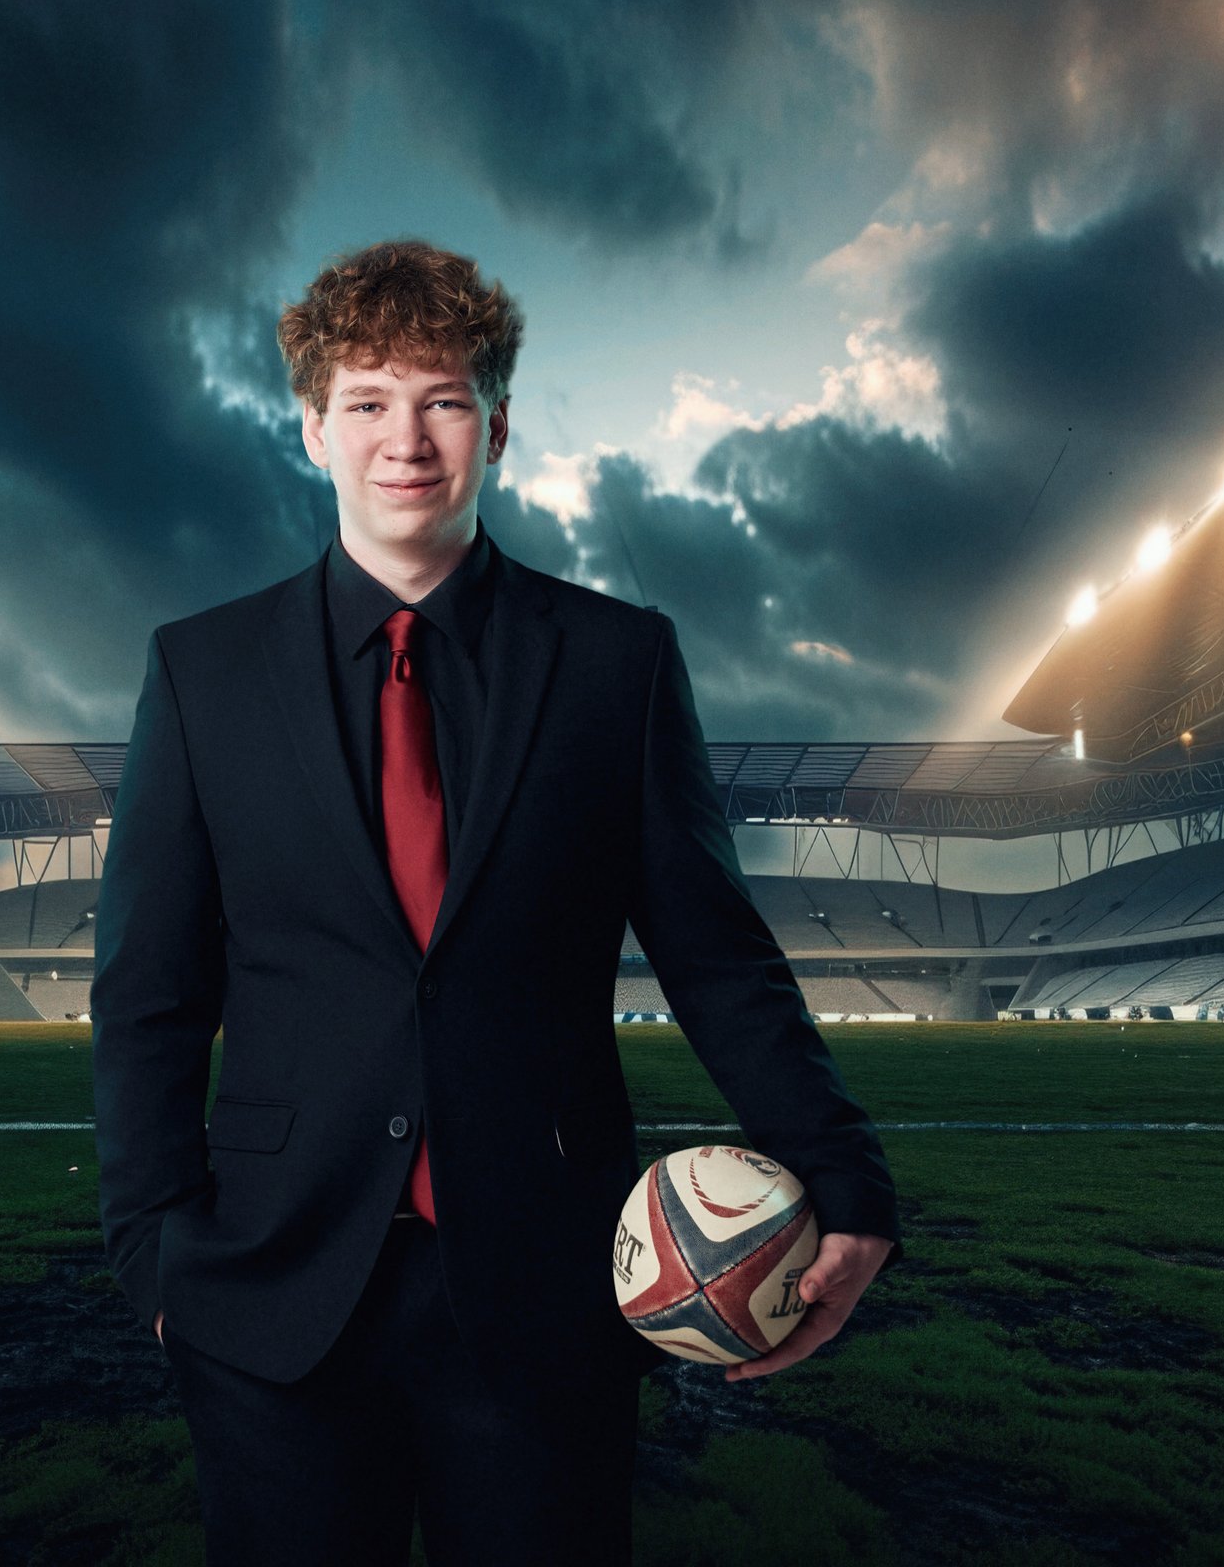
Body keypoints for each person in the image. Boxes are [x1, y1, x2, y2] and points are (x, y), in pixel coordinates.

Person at [92, 240, 898, 1565]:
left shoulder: (617, 664)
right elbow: (148, 992)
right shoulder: (201, 673)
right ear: (312, 429)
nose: (405, 439)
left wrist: (849, 1182)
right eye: (366, 401)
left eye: (444, 400)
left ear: (500, 426)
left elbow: (715, 953)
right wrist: (154, 1261)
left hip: (547, 1295)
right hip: (273, 1295)